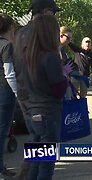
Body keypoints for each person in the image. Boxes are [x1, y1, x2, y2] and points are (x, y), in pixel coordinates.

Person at [12, 0, 62, 179]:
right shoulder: (42, 35)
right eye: (53, 13)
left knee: (35, 146)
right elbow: (56, 82)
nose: (54, 17)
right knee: (45, 155)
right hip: (44, 99)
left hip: (27, 96)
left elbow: (16, 66)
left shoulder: (20, 34)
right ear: (46, 11)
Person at [25, 14, 68, 180]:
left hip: (32, 111)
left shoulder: (29, 55)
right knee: (46, 164)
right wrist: (65, 77)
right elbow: (59, 90)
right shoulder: (50, 57)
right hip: (47, 113)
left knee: (35, 161)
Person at [0, 14, 17, 179]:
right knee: (2, 130)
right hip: (5, 91)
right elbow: (10, 74)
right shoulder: (7, 46)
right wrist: (18, 93)